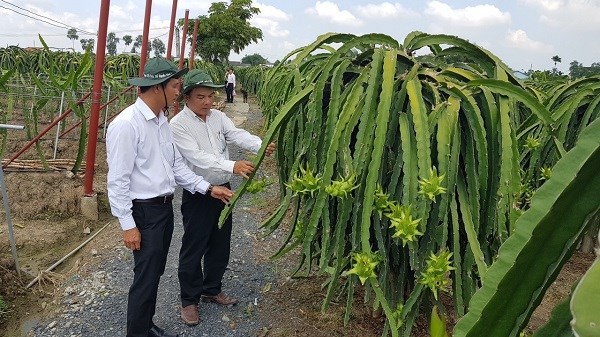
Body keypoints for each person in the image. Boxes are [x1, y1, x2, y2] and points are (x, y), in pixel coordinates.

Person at [106, 58, 233, 337]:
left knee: (155, 275)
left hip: (163, 209)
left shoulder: (161, 120)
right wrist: (127, 224)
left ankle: (146, 327)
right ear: (157, 87)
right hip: (144, 211)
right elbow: (117, 181)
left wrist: (209, 188)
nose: (179, 91)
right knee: (145, 278)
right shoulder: (127, 125)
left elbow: (175, 167)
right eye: (175, 86)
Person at [170, 69, 276, 326]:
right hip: (199, 192)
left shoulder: (217, 117)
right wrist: (232, 165)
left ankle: (212, 288)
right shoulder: (178, 126)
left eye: (210, 95)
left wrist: (261, 144)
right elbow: (197, 157)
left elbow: (237, 135)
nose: (207, 101)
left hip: (223, 189)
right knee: (194, 247)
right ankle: (189, 301)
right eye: (200, 96)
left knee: (220, 242)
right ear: (187, 97)